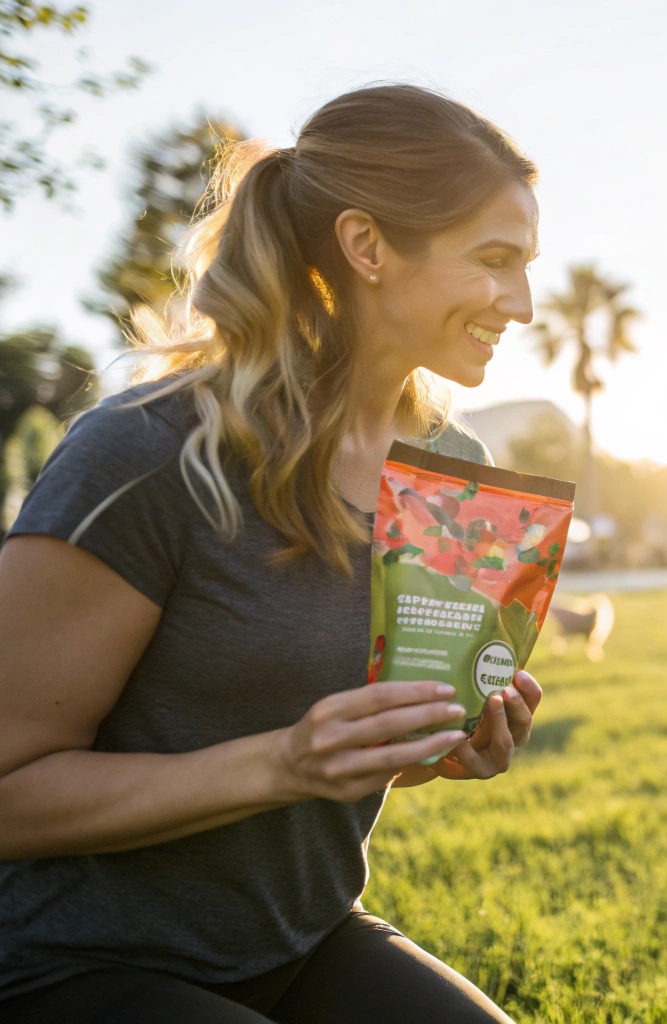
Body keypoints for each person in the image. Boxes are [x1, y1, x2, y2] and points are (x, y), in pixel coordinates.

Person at [0, 85, 544, 1022]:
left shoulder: (455, 476)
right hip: (67, 960)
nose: (523, 304)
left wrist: (444, 745)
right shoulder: (146, 452)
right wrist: (283, 763)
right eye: (495, 261)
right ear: (367, 246)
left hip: (303, 935)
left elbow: (376, 755)